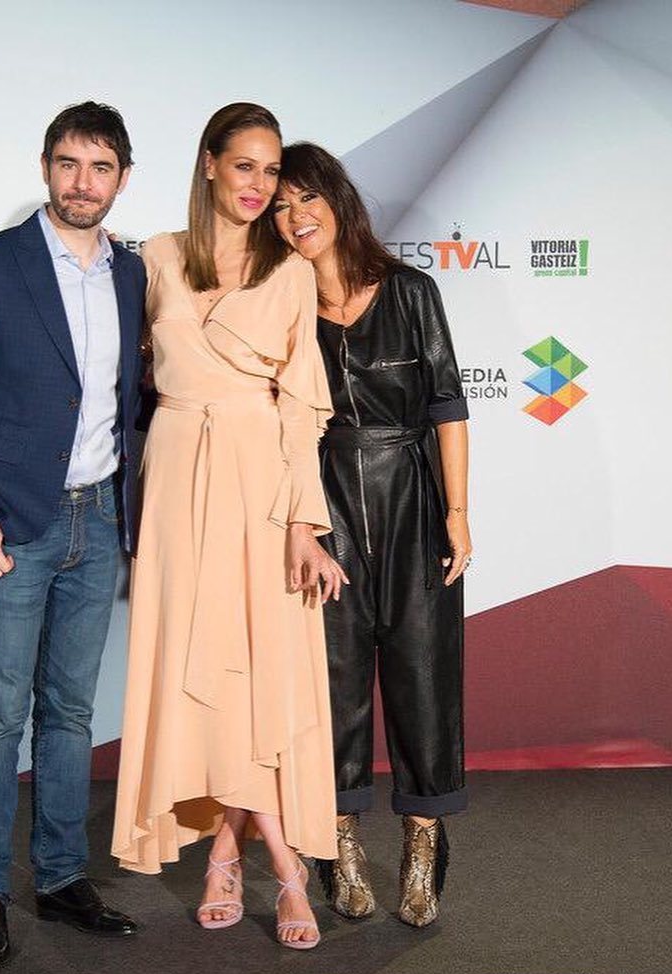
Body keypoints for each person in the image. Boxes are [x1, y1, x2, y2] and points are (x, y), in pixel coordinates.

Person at [111, 103, 346, 951]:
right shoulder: (155, 258)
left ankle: (253, 859)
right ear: (209, 163)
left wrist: (303, 523)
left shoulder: (290, 273)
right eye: (245, 165)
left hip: (261, 483)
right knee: (200, 671)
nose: (260, 185)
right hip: (177, 477)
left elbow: (302, 408)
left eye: (271, 170)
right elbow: (118, 375)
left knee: (259, 677)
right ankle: (258, 862)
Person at [0, 101, 145, 967]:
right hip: (10, 529)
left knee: (70, 712)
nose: (82, 183)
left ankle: (59, 878)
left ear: (122, 177)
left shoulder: (132, 274)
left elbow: (131, 403)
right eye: (68, 163)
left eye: (100, 167)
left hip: (100, 516)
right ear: (45, 167)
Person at [273, 142, 472, 928]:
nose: (296, 216)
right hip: (323, 510)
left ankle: (424, 841)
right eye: (281, 206)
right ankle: (339, 842)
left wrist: (457, 514)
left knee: (424, 674)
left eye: (307, 198)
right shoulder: (282, 304)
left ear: (337, 199)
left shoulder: (410, 291)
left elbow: (447, 405)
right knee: (335, 680)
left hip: (413, 501)